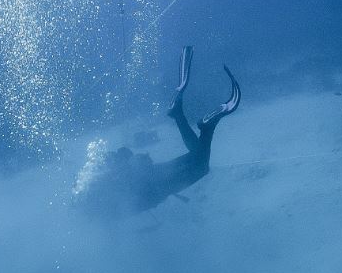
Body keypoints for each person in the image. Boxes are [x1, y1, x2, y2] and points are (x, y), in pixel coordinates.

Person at [73, 45, 240, 215]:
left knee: (200, 166)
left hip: (152, 187)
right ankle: (182, 116)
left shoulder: (99, 211)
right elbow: (123, 160)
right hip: (150, 176)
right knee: (197, 158)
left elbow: (125, 204)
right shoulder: (97, 183)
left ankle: (203, 126)